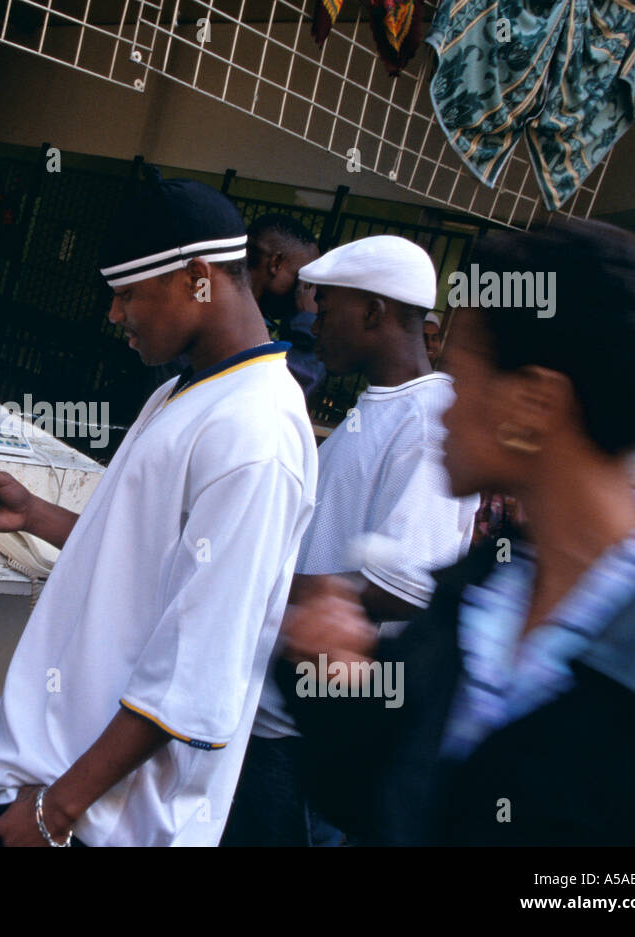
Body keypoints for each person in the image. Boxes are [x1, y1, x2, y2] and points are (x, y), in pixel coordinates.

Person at [276, 219, 635, 845]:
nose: (445, 403)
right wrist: (327, 681)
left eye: (462, 375)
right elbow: (383, 802)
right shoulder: (477, 597)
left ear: (533, 404)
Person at [0, 172, 318, 846]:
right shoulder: (186, 391)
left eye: (127, 295)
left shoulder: (255, 432)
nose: (114, 315)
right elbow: (150, 563)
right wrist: (35, 513)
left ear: (198, 277)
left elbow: (195, 666)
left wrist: (54, 813)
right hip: (55, 796)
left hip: (96, 823)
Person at [223, 235, 477, 846]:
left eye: (329, 306)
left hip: (306, 738)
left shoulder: (429, 421)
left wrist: (257, 577)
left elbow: (404, 587)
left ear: (374, 312)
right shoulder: (383, 409)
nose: (318, 321)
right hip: (272, 720)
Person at [248, 214, 326, 398]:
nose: (306, 292)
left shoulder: (244, 317)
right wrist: (307, 323)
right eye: (304, 280)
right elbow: (290, 389)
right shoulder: (231, 320)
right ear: (275, 264)